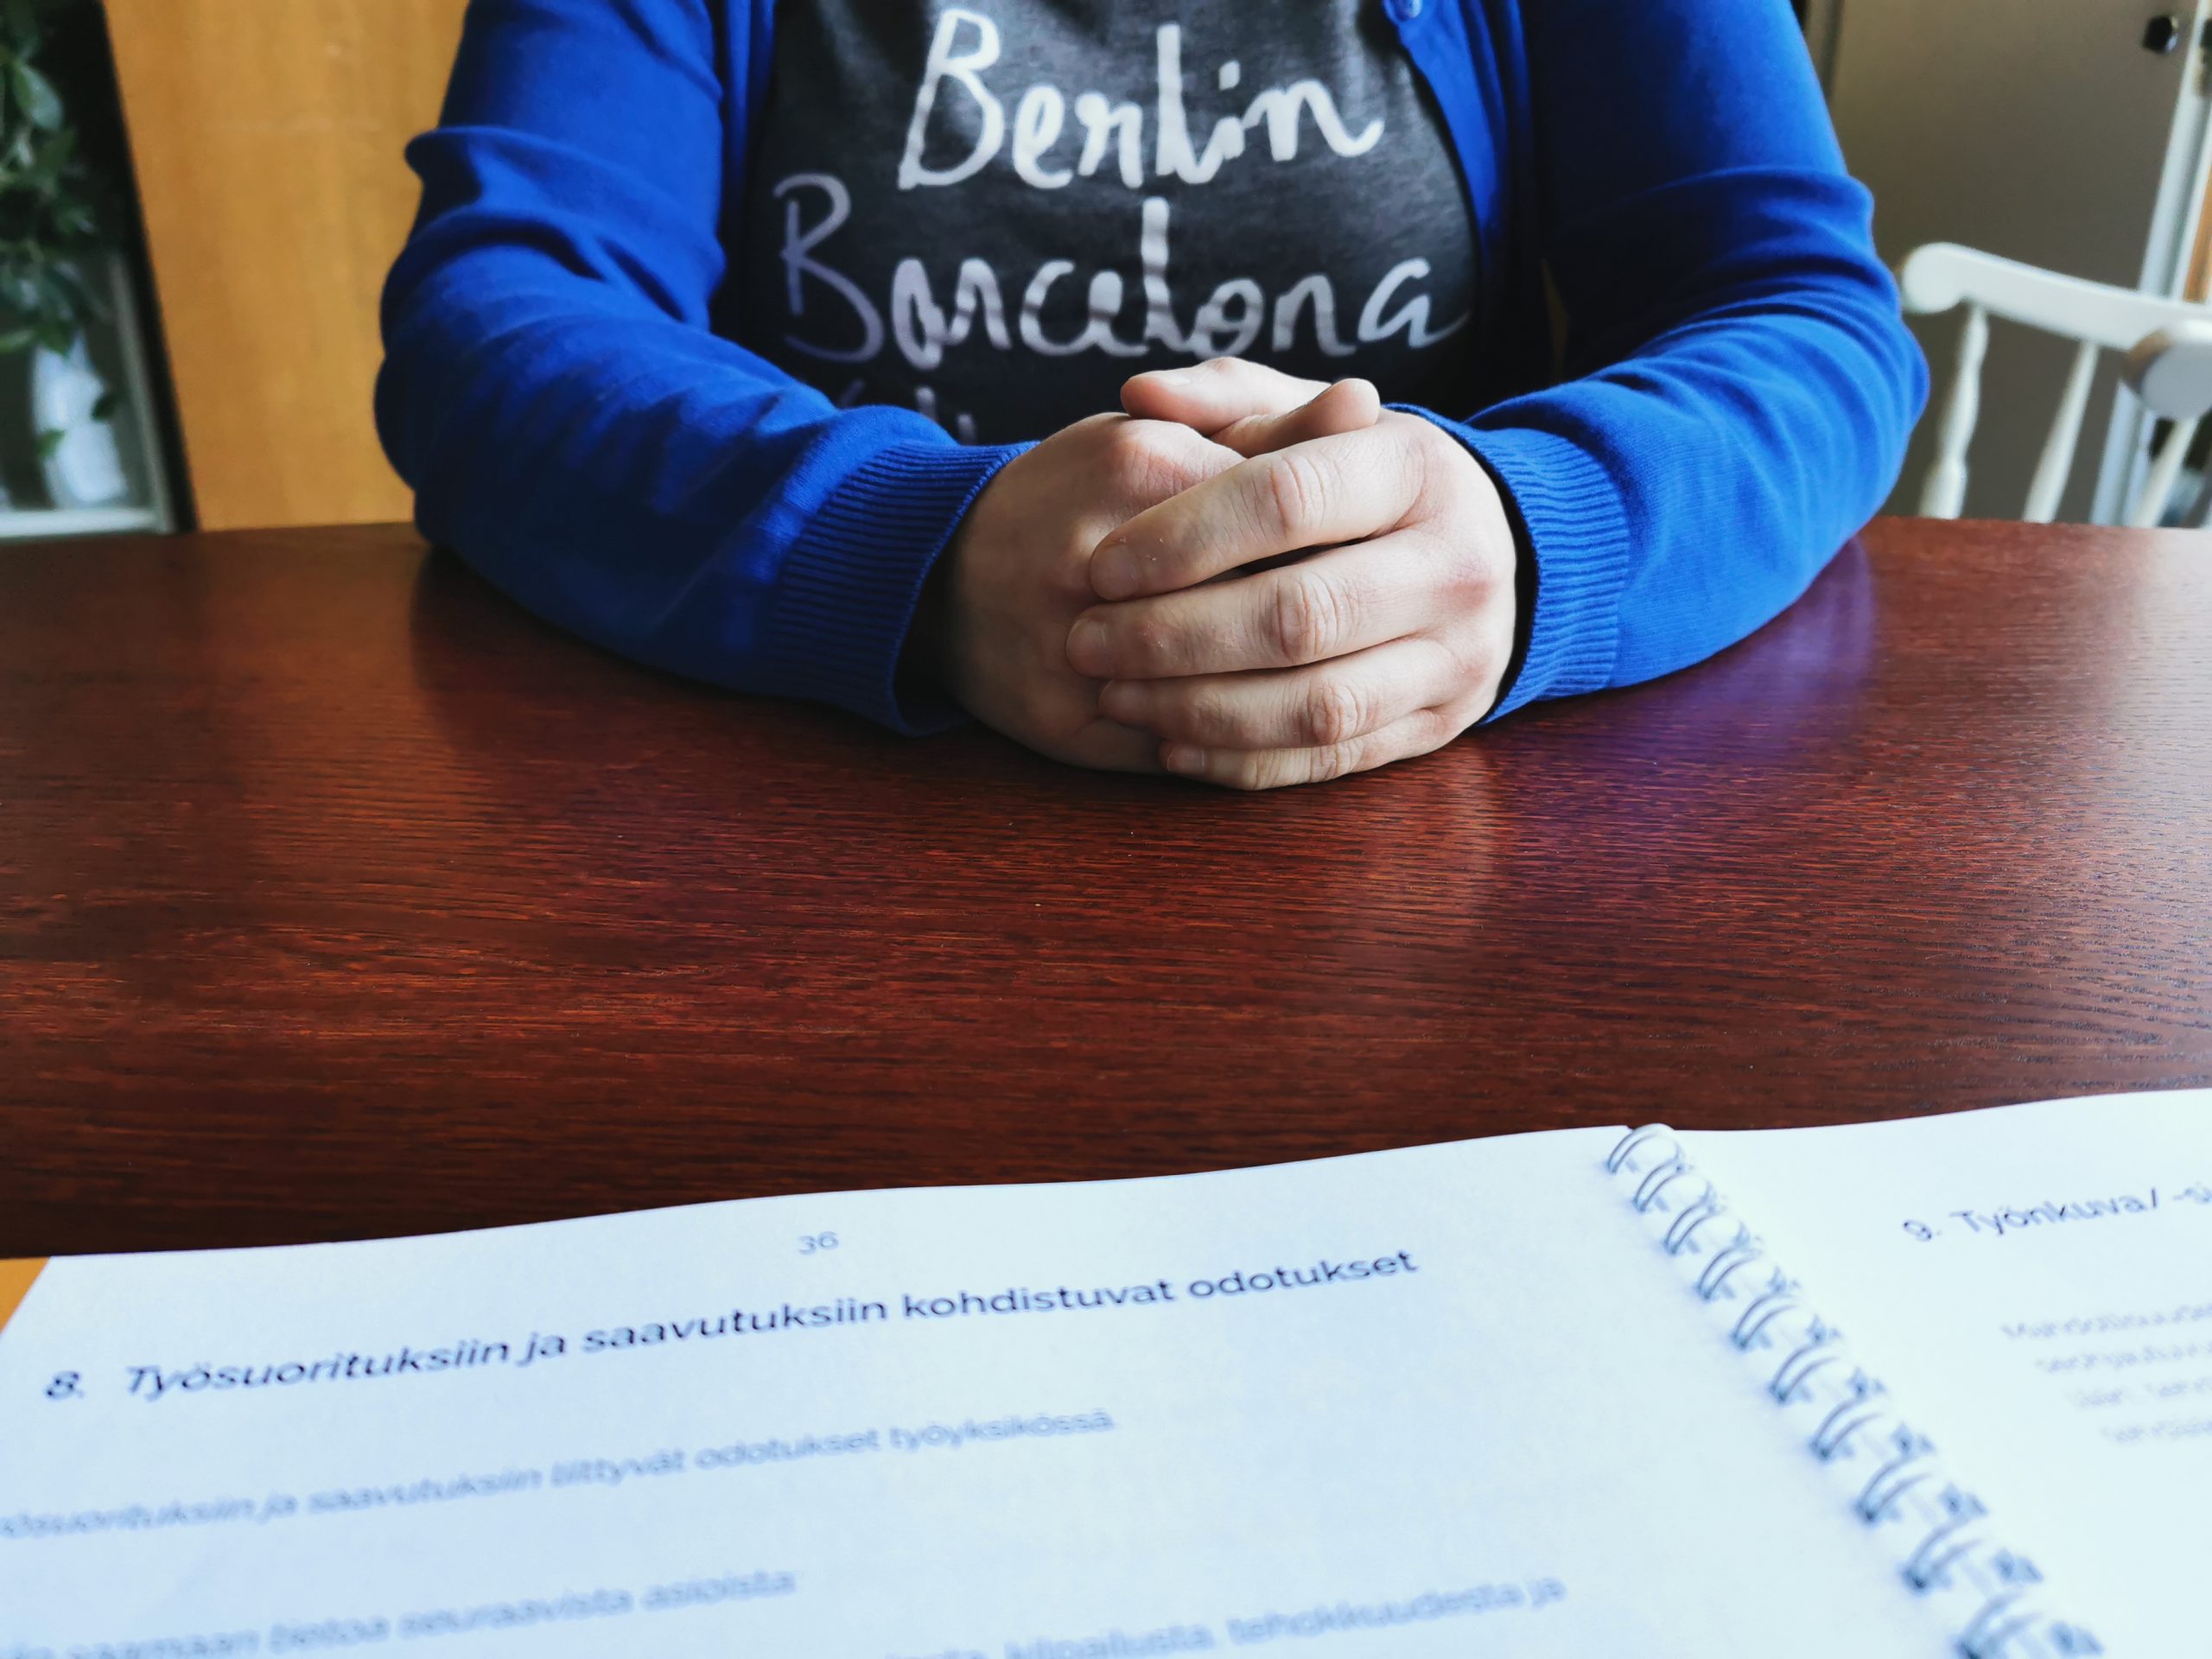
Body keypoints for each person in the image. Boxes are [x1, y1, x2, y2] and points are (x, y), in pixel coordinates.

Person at [378, 0, 1926, 791]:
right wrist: (911, 546)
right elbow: (492, 323)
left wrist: (1533, 538)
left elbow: (1807, 316)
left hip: (1432, 853)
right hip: (815, 842)